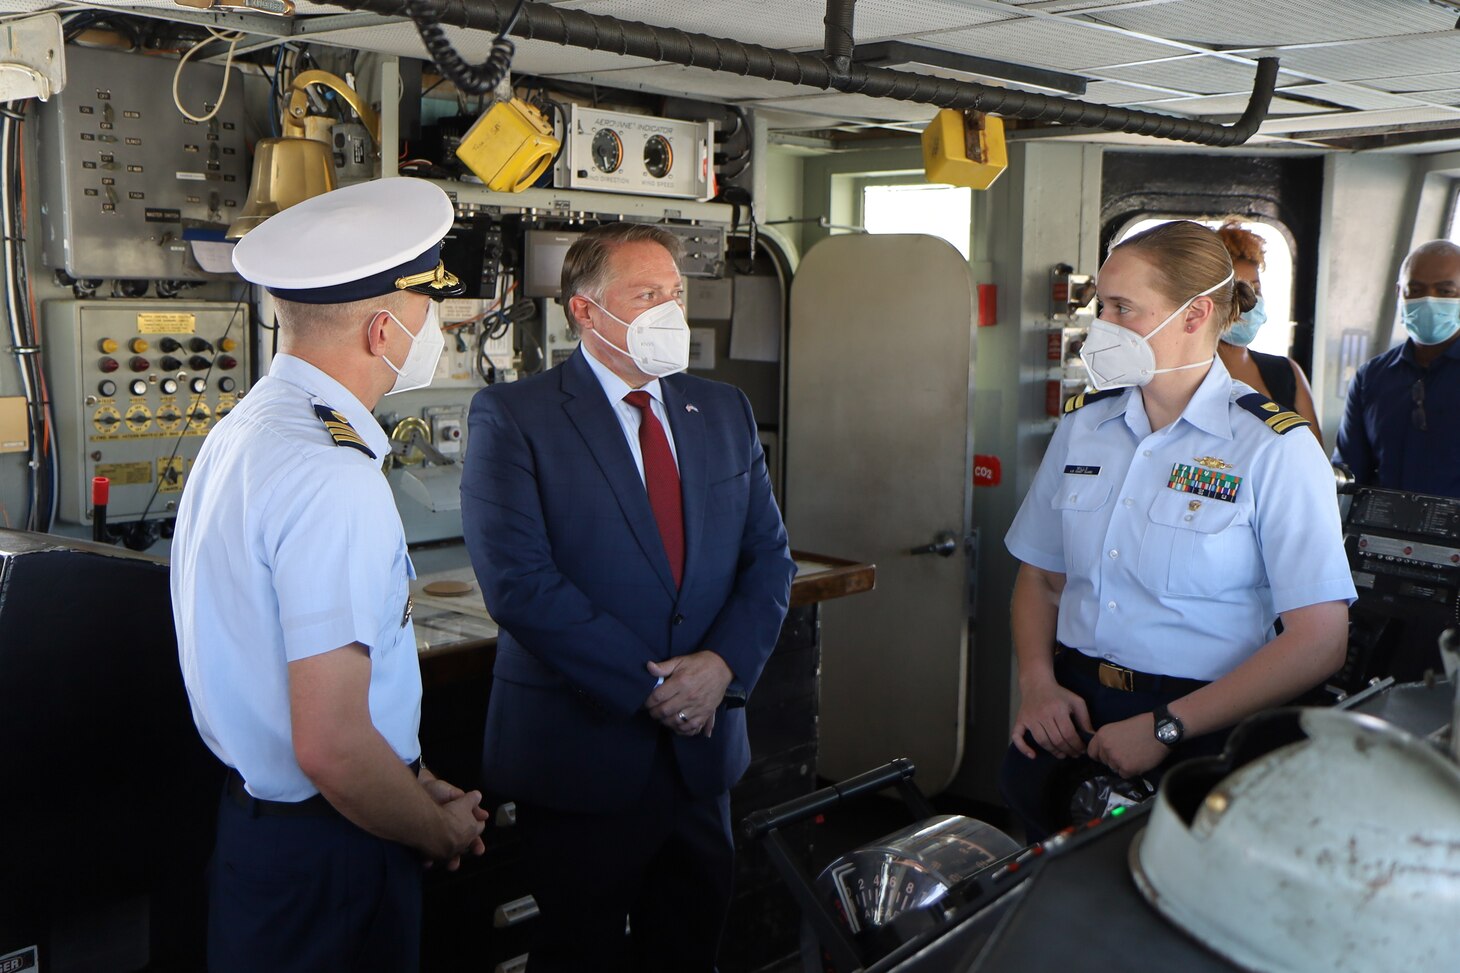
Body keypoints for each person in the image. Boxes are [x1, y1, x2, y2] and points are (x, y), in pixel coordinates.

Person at [460, 222, 795, 972]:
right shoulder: (516, 417)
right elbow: (518, 583)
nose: (669, 311)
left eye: (674, 294)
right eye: (647, 295)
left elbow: (769, 558)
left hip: (701, 752)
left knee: (688, 947)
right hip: (581, 754)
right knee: (578, 954)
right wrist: (652, 687)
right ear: (586, 310)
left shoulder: (724, 411)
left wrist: (720, 667)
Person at [171, 178, 488, 973]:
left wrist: (414, 783)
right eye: (430, 308)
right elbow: (333, 744)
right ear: (385, 330)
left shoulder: (245, 432)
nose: (437, 328)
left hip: (268, 840)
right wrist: (434, 827)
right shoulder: (330, 474)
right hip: (332, 856)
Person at [1001, 220, 1355, 841]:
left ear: (1194, 315)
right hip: (1072, 712)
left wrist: (1166, 726)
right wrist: (1036, 684)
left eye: (1122, 309)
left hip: (1205, 726)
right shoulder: (1084, 428)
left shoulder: (1274, 448)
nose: (1101, 326)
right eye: (1100, 306)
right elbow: (1040, 580)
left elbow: (1319, 641)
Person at [1334, 240, 1460, 498]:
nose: (1429, 301)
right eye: (1415, 290)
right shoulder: (1371, 378)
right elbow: (1348, 472)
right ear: (1398, 293)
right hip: (1381, 533)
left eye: (1445, 291)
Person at [1213, 220, 1322, 442]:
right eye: (1236, 290)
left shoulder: (1286, 373)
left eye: (1255, 289)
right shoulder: (1183, 376)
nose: (1249, 301)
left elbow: (1314, 458)